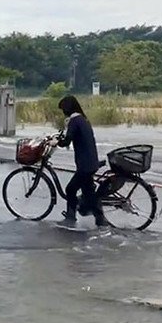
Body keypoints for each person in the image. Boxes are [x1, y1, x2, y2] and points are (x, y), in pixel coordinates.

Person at [54, 95, 108, 228]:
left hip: (85, 165)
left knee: (70, 189)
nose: (63, 112)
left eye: (63, 109)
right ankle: (99, 218)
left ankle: (70, 218)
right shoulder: (83, 119)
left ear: (68, 109)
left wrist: (56, 142)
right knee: (89, 193)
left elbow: (67, 141)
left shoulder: (74, 121)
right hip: (91, 161)